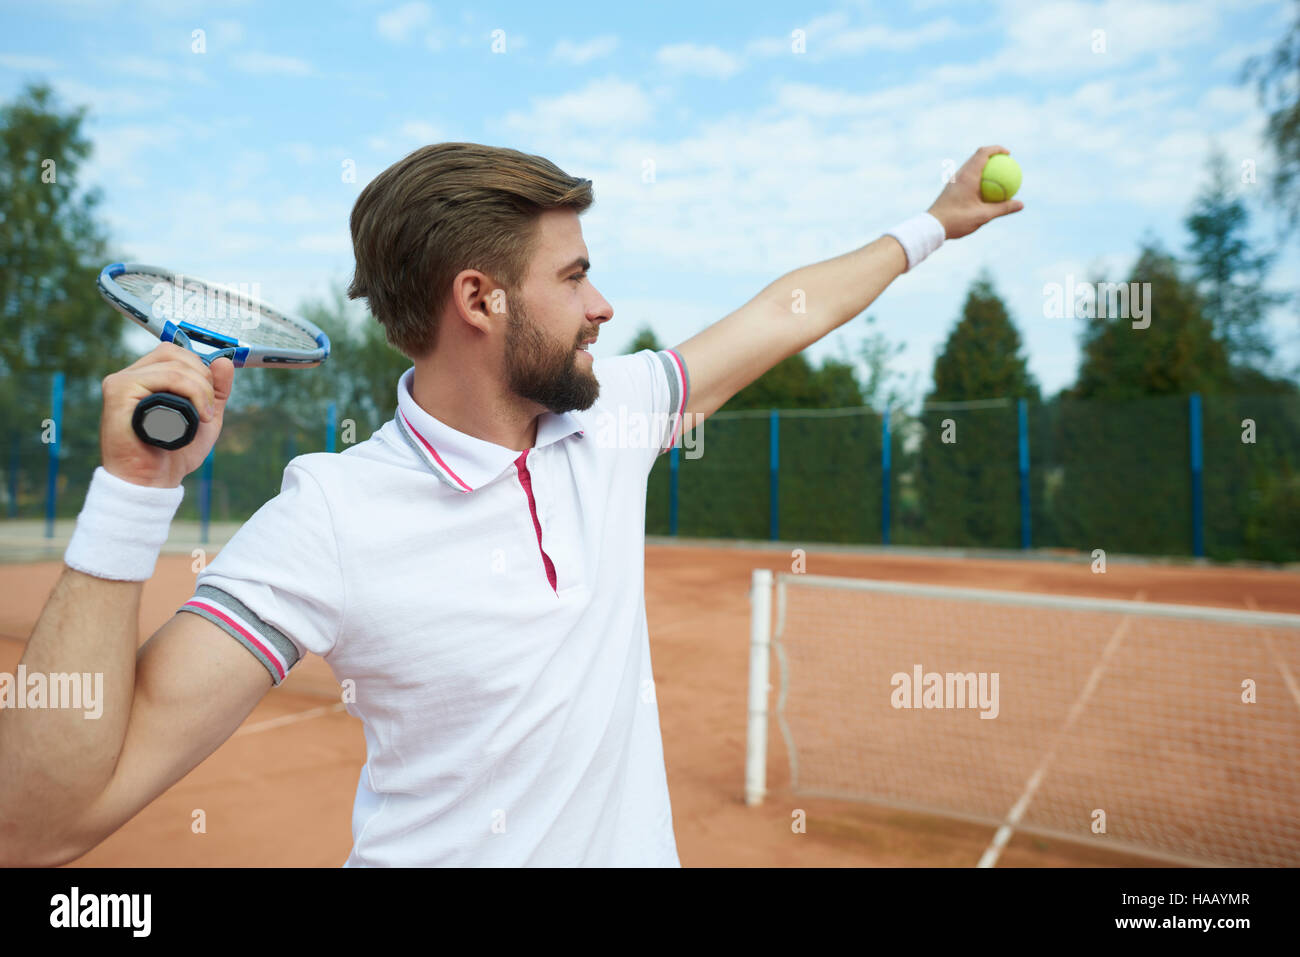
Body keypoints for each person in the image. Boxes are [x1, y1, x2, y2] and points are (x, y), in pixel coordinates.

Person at [0, 142, 1022, 867]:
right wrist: (134, 493)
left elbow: (784, 311)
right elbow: (47, 823)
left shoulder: (610, 417)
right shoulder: (331, 517)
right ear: (480, 299)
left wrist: (932, 223)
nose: (603, 307)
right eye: (575, 276)